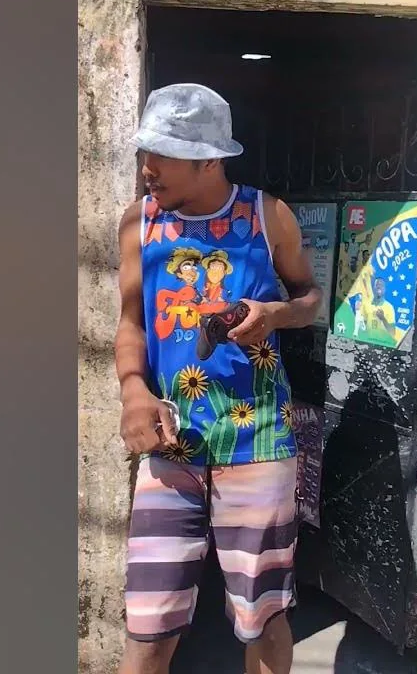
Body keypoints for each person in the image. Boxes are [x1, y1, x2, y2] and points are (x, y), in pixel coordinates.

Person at [113, 83, 322, 674]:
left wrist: (275, 315)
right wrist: (134, 391)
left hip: (258, 441)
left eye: (165, 155)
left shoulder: (267, 216)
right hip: (171, 445)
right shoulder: (139, 224)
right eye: (146, 151)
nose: (148, 168)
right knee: (148, 625)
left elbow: (310, 298)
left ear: (210, 160)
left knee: (263, 617)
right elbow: (130, 324)